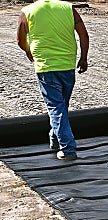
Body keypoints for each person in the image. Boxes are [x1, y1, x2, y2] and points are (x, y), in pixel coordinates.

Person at [16, 0, 89, 160]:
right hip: (67, 65)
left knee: (56, 107)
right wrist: (83, 58)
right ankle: (55, 139)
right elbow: (83, 33)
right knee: (61, 105)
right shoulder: (68, 8)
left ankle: (68, 148)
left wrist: (29, 51)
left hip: (46, 66)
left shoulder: (27, 12)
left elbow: (20, 40)